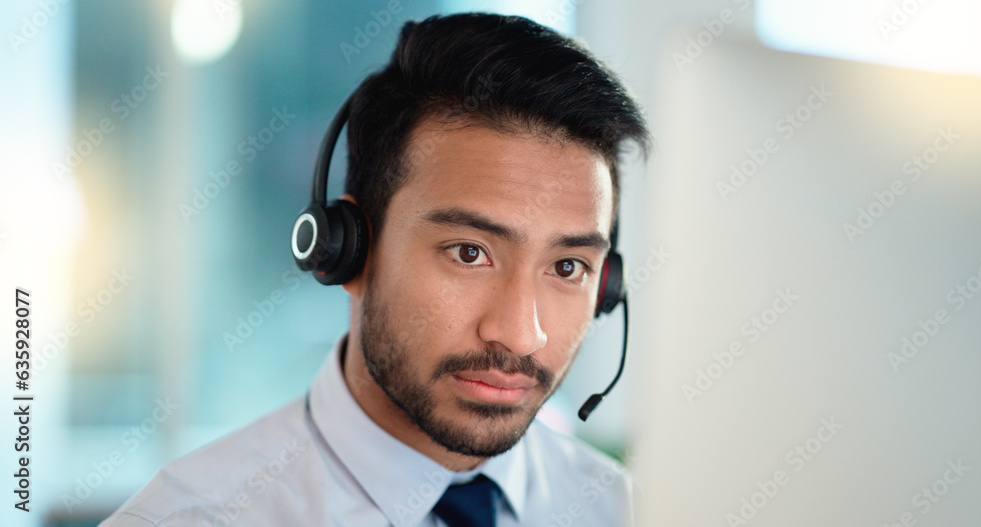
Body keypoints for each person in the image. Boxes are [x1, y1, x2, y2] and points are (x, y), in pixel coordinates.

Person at [101, 12, 649, 527]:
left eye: (569, 266)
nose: (521, 335)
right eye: (468, 253)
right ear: (348, 251)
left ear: (606, 286)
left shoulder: (623, 508)